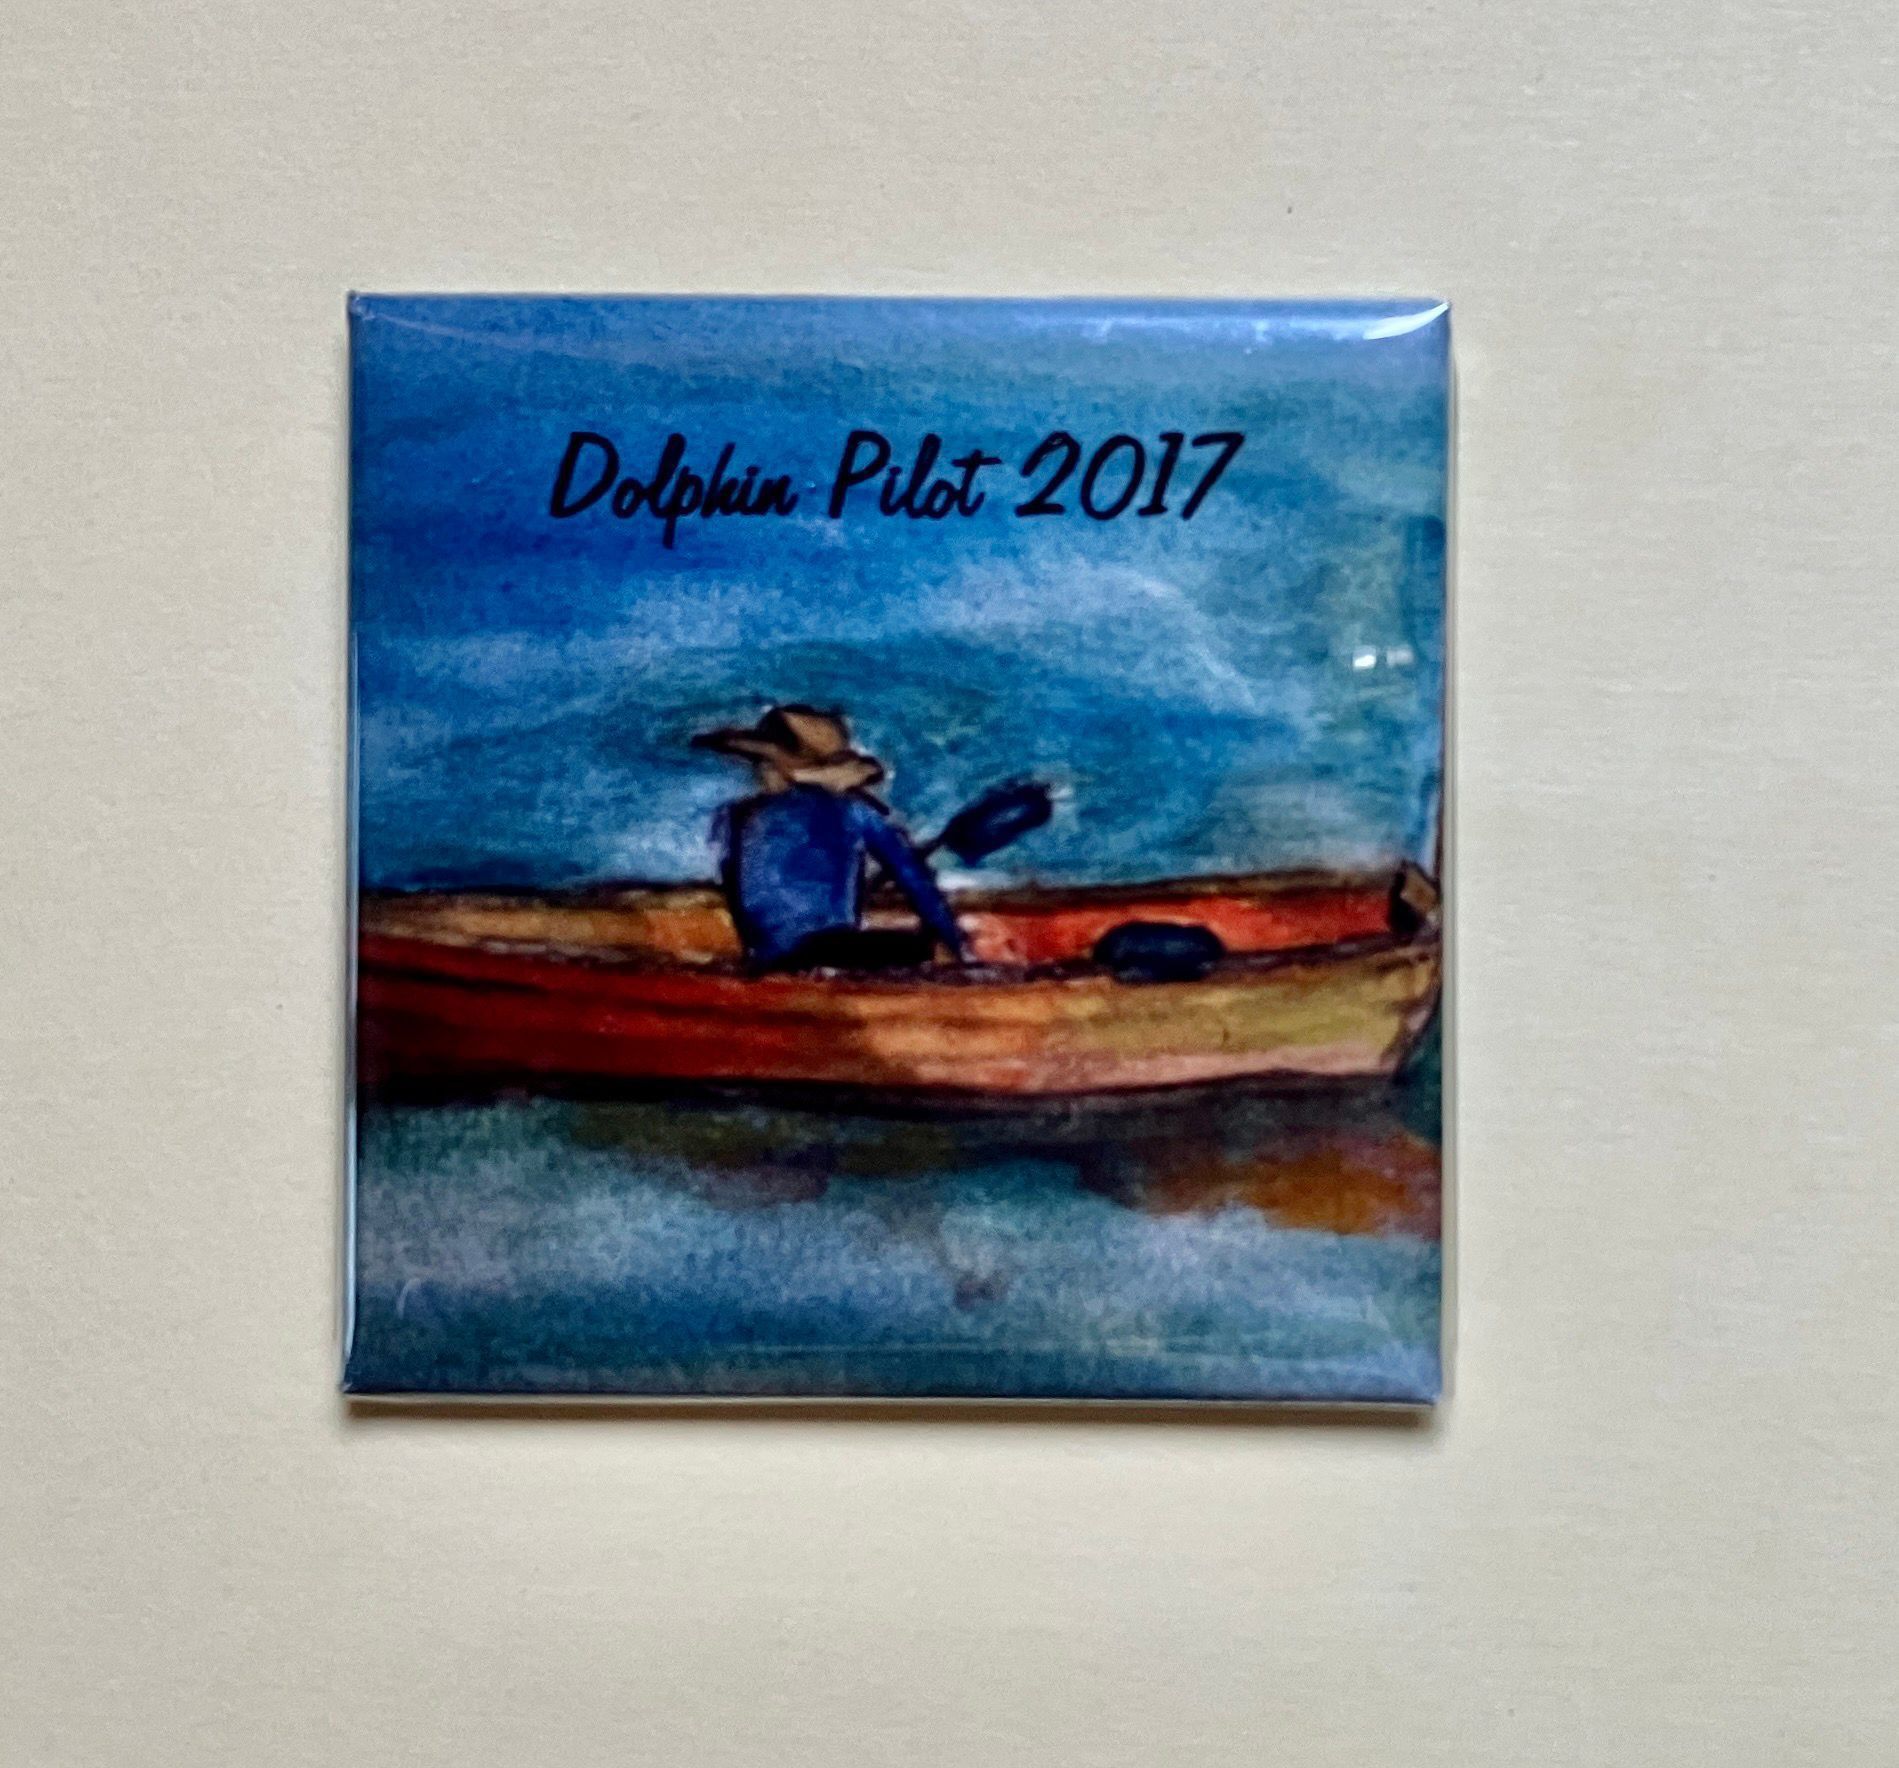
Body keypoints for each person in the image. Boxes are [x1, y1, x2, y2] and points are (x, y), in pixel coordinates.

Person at [692, 704, 967, 973]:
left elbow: (741, 899)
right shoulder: (853, 812)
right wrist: (953, 945)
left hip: (770, 954)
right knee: (922, 947)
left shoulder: (732, 817)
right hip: (829, 949)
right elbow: (914, 880)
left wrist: (759, 956)